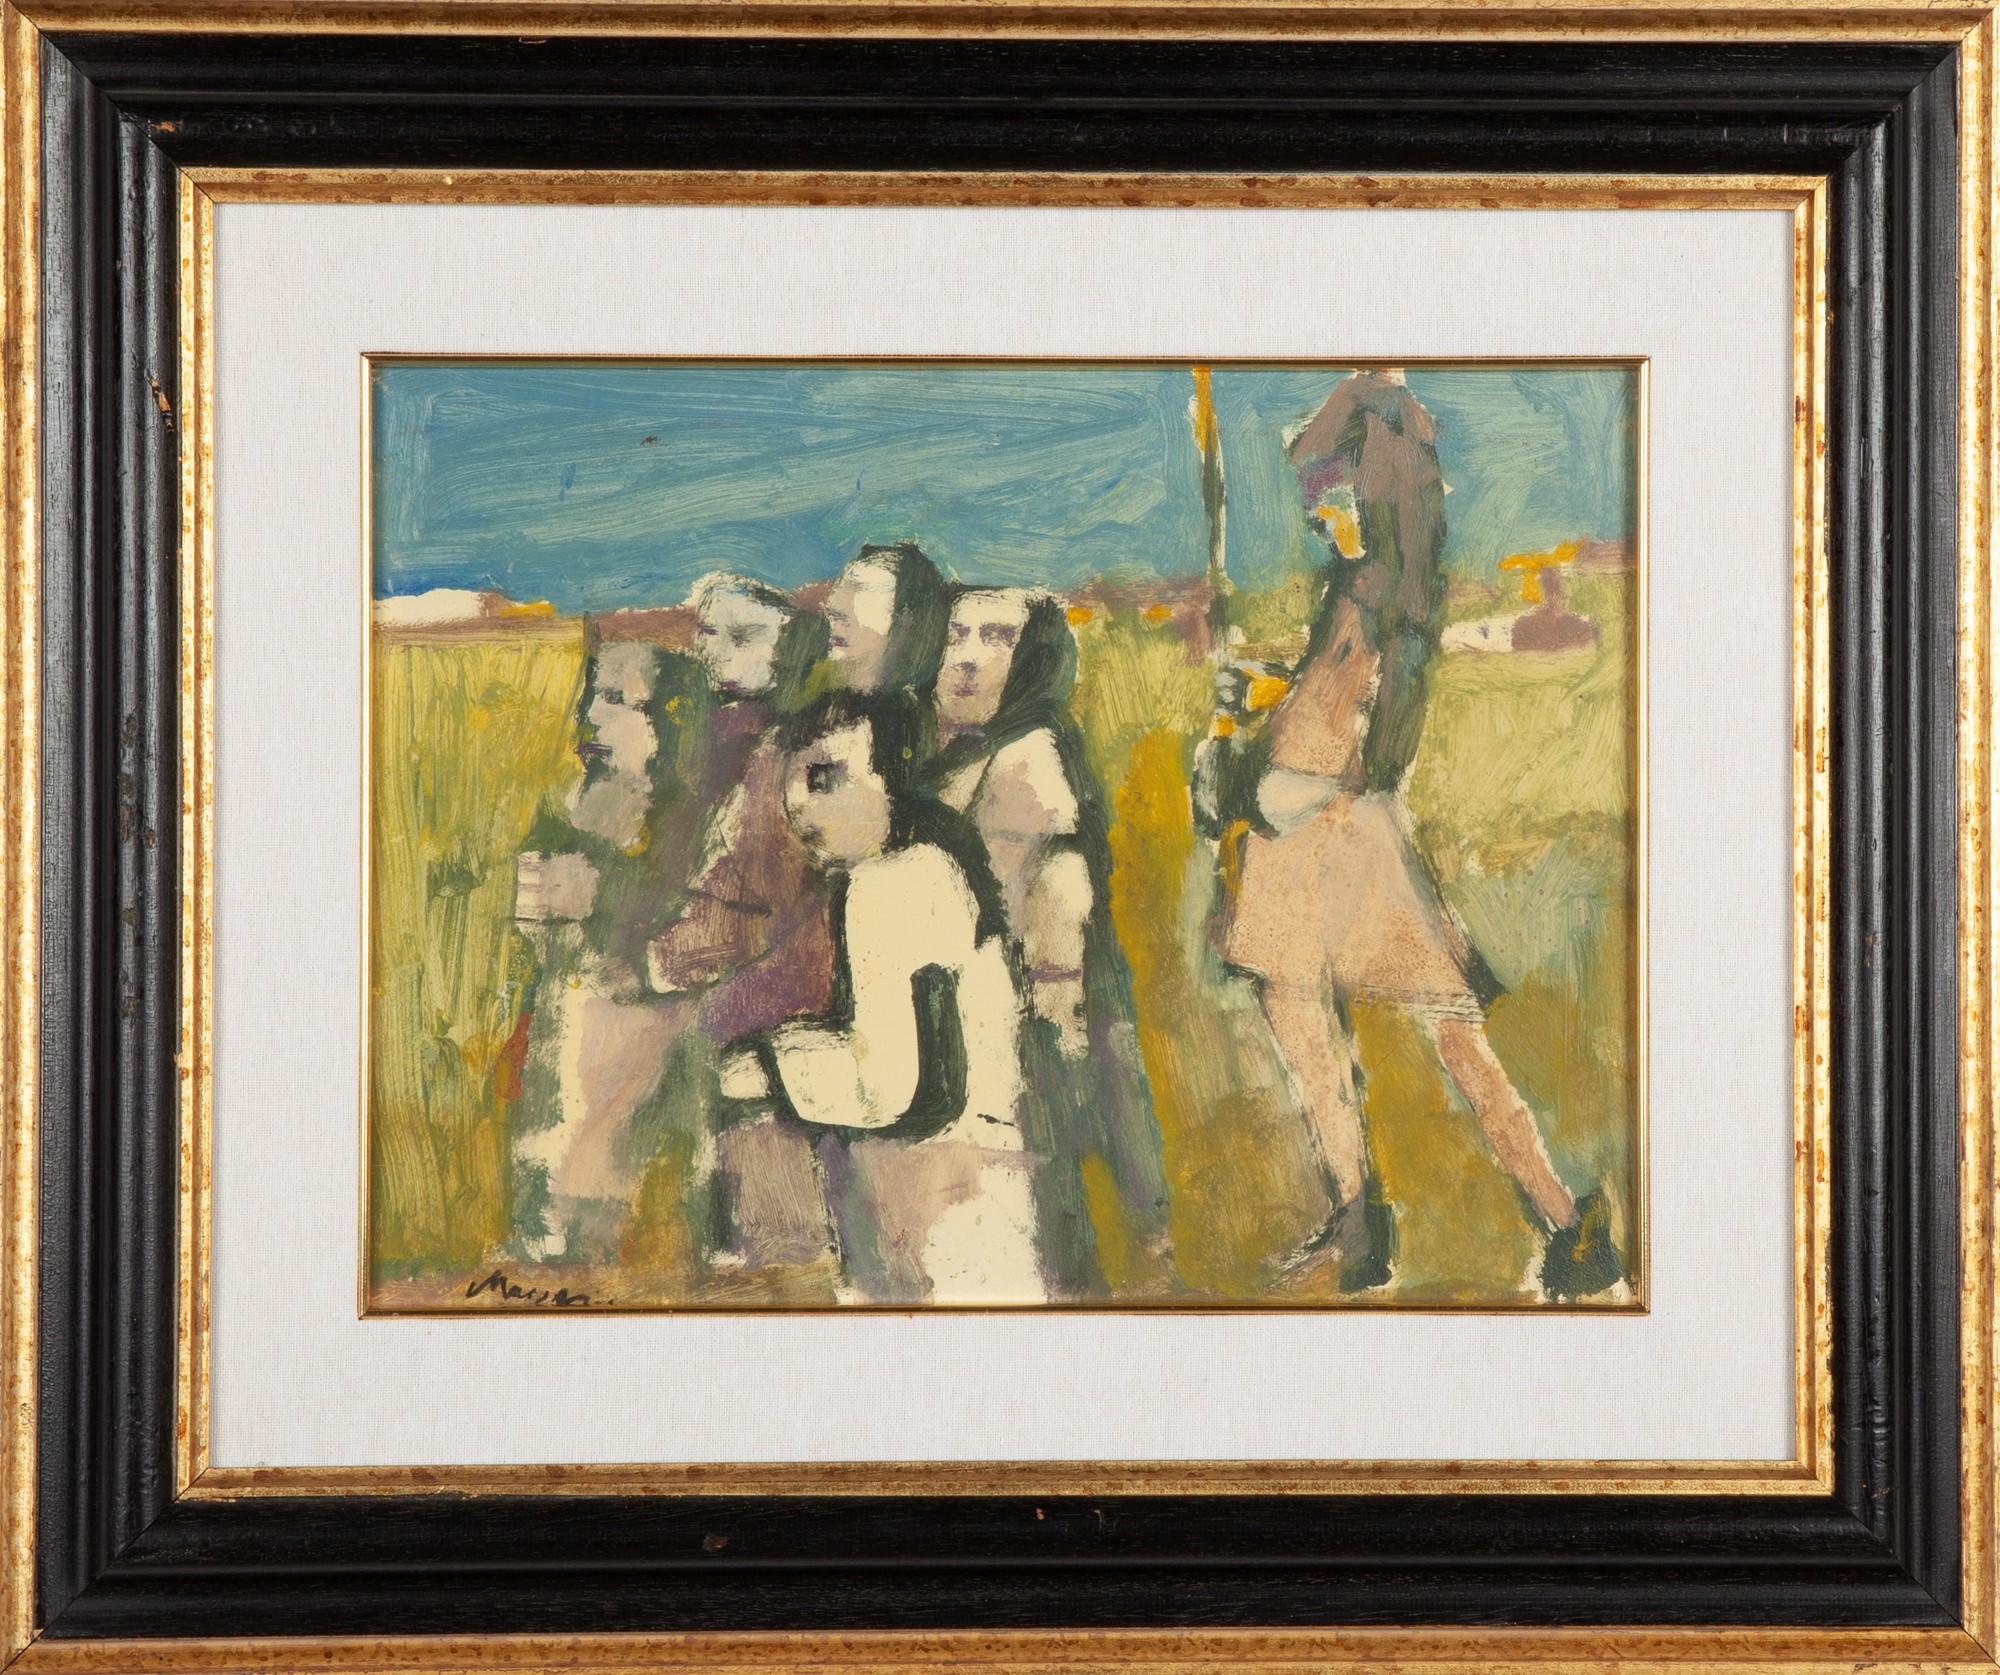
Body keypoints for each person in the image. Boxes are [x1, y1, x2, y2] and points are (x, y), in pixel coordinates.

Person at [1203, 371, 1623, 1302]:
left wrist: (1248, 759)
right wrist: (1273, 692)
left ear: (1378, 494)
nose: (1319, 512)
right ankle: (1388, 1220)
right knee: (1324, 1015)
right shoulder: (1378, 596)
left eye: (1333, 492)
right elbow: (1331, 710)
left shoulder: (1376, 601)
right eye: (1316, 494)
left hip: (1324, 833)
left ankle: (1551, 1220)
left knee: (1401, 1026)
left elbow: (1333, 738)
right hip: (1321, 830)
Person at [720, 692, 1045, 1305]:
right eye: (795, 780)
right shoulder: (919, 866)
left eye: (826, 778)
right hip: (964, 1177)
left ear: (890, 776)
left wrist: (768, 1066)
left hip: (945, 1193)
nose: (799, 803)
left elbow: (894, 1087)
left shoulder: (894, 882)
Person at [929, 586, 1171, 1295]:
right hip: (1014, 1000)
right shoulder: (972, 749)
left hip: (1037, 1003)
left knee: (1051, 1179)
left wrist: (1056, 998)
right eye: (956, 635)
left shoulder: (1028, 752)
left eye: (997, 639)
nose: (967, 658)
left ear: (1034, 657)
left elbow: (1061, 882)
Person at [641, 574, 838, 1273]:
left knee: (775, 1246)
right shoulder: (694, 745)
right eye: (706, 634)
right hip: (724, 1006)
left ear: (789, 651)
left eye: (745, 636)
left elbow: (757, 904)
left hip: (769, 1014)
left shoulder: (788, 757)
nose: (716, 653)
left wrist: (670, 970)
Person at [510, 634, 711, 1262]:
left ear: (667, 722)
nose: (592, 715)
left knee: (601, 1195)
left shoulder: (685, 816)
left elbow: (671, 933)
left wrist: (598, 896)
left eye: (619, 700)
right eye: (595, 696)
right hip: (568, 1021)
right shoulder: (581, 803)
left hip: (636, 1034)